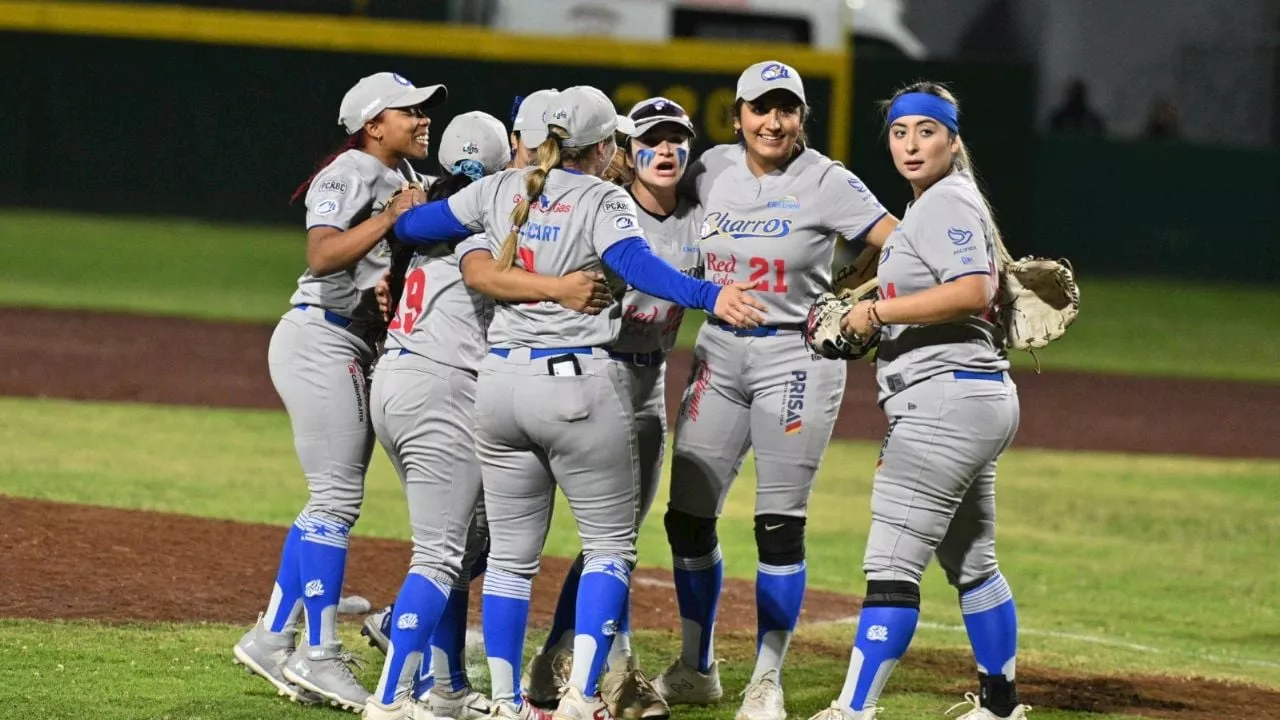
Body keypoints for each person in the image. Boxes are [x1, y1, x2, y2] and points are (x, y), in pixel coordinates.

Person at [392, 84, 765, 720]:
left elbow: (412, 226)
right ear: (603, 147)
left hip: (500, 385)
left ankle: (510, 705)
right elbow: (635, 264)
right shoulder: (602, 197)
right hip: (576, 387)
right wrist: (708, 296)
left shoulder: (501, 190)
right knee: (611, 549)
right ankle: (580, 697)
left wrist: (418, 201)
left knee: (510, 562)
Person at [649, 60, 897, 720]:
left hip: (799, 358)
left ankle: (766, 678)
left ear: (802, 117)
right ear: (738, 117)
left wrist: (857, 295)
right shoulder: (710, 170)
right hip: (719, 357)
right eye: (761, 108)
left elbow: (896, 242)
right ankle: (698, 666)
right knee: (687, 520)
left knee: (778, 528)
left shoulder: (826, 180)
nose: (774, 120)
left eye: (786, 108)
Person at [363, 111, 612, 720]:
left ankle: (445, 687)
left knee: (462, 542)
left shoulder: (445, 208)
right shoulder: (490, 208)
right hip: (442, 388)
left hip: (397, 378)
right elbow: (489, 272)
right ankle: (392, 696)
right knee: (443, 554)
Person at [808, 81, 1027, 720]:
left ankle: (853, 710)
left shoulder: (946, 203)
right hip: (974, 396)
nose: (910, 144)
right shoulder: (944, 202)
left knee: (893, 562)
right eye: (900, 132)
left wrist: (876, 312)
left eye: (926, 131)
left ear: (952, 140)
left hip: (941, 405)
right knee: (972, 561)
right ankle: (1000, 706)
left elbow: (972, 289)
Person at [231, 71, 445, 712]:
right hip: (320, 339)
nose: (424, 118)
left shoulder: (404, 179)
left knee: (331, 500)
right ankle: (318, 655)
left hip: (350, 342)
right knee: (334, 500)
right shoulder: (349, 171)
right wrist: (387, 220)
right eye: (412, 110)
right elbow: (322, 256)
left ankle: (273, 636)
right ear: (375, 123)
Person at [520, 96, 703, 720]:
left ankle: (563, 664)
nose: (668, 150)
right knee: (505, 535)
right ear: (625, 150)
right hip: (587, 377)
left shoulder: (699, 220)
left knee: (613, 540)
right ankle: (606, 673)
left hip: (647, 384)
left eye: (678, 138)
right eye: (653, 139)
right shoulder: (602, 205)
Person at [510, 89, 561, 168]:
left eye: (558, 152)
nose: (546, 162)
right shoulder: (491, 180)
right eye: (535, 149)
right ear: (514, 140)